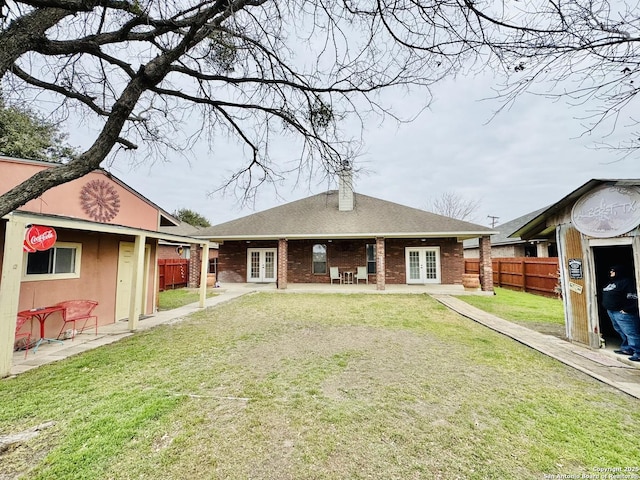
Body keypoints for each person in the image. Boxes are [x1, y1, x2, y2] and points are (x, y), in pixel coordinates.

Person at [602, 265, 640, 362]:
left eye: (613, 271)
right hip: (612, 311)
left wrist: (627, 309)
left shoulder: (627, 282)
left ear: (619, 272)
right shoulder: (612, 282)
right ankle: (627, 349)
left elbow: (634, 297)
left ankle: (638, 353)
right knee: (621, 331)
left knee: (631, 332)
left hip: (623, 313)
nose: (611, 273)